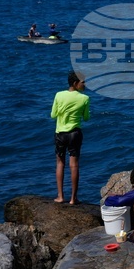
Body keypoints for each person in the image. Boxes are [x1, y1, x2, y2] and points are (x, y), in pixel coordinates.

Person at [51, 71, 90, 204]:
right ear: (75, 83)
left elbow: (53, 115)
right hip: (75, 134)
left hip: (60, 133)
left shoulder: (58, 95)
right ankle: (73, 199)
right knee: (74, 165)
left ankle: (60, 196)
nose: (85, 84)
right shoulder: (84, 99)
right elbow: (86, 118)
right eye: (83, 82)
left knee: (60, 163)